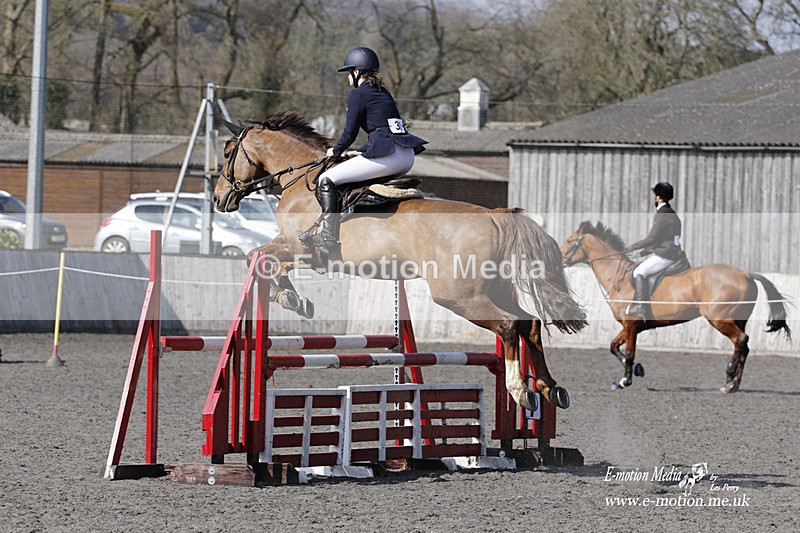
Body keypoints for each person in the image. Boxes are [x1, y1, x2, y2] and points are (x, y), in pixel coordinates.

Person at [298, 46, 427, 256]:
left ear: (357, 71)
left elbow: (349, 133)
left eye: (349, 72)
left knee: (326, 179)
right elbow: (385, 129)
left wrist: (336, 151)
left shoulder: (358, 94)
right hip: (405, 155)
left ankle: (328, 239)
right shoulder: (382, 92)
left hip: (390, 156)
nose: (348, 78)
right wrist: (360, 152)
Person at [624, 181, 685, 318]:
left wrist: (631, 247)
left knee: (639, 271)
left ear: (658, 197)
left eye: (655, 195)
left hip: (667, 256)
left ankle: (641, 307)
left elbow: (651, 238)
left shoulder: (662, 214)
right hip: (672, 252)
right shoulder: (672, 214)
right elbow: (665, 238)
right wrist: (648, 250)